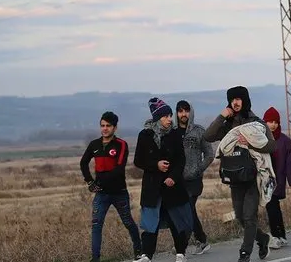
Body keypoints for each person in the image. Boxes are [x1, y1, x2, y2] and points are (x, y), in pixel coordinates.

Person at [203, 86, 274, 262]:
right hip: (234, 177)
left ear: (245, 100)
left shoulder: (256, 122)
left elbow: (272, 146)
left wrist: (250, 143)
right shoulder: (226, 124)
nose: (235, 102)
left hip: (251, 176)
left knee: (249, 216)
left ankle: (245, 253)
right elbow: (208, 136)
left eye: (239, 98)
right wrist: (221, 116)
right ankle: (263, 238)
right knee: (241, 217)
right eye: (232, 99)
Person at [134, 98, 193, 262]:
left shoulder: (174, 134)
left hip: (172, 185)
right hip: (152, 187)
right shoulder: (145, 135)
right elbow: (138, 160)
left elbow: (181, 159)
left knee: (177, 220)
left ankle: (181, 253)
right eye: (166, 116)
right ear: (157, 118)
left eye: (170, 115)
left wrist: (173, 177)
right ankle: (147, 255)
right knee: (149, 222)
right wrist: (156, 165)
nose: (169, 119)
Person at [80, 111, 142, 262]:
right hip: (101, 194)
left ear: (115, 127)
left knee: (128, 222)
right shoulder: (94, 144)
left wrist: (100, 182)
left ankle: (139, 251)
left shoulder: (121, 145)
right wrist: (90, 182)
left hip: (119, 192)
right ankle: (95, 258)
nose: (105, 129)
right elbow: (83, 163)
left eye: (108, 126)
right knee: (96, 225)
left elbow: (119, 169)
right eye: (102, 125)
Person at [174, 100, 214, 255]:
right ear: (176, 113)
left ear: (191, 112)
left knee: (188, 210)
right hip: (178, 180)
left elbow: (209, 154)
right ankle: (202, 240)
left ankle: (181, 246)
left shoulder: (199, 131)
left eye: (186, 111)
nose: (184, 114)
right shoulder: (172, 132)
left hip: (194, 179)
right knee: (186, 212)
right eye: (180, 111)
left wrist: (199, 169)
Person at [262, 106, 291, 249]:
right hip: (264, 180)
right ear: (265, 122)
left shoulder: (284, 141)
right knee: (273, 207)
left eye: (275, 122)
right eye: (270, 121)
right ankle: (281, 235)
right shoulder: (260, 139)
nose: (273, 125)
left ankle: (276, 237)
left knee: (272, 207)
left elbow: (290, 162)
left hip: (278, 180)